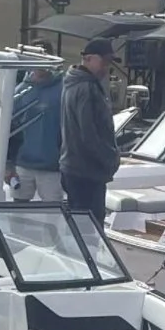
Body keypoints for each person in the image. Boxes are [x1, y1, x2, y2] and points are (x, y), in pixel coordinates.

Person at [59, 38, 121, 224]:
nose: (106, 68)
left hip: (74, 167)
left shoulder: (72, 83)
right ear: (89, 58)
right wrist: (110, 159)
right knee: (90, 228)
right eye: (105, 62)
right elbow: (89, 134)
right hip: (87, 170)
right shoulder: (87, 87)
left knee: (80, 224)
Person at [7, 43, 63, 202]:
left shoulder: (64, 89)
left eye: (44, 59)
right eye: (35, 59)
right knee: (18, 208)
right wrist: (8, 166)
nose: (40, 64)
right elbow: (8, 130)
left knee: (54, 211)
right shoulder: (19, 91)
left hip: (53, 166)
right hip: (22, 164)